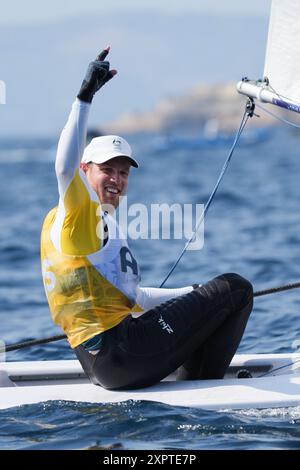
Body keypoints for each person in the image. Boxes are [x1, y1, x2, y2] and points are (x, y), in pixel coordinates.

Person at [41, 47, 253, 390]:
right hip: (124, 352)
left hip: (102, 366)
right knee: (236, 288)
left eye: (123, 173)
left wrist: (192, 293)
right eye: (107, 170)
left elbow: (135, 298)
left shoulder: (85, 226)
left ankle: (194, 385)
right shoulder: (77, 213)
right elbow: (63, 167)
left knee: (205, 303)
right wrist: (84, 97)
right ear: (85, 171)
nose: (116, 179)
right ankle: (203, 392)